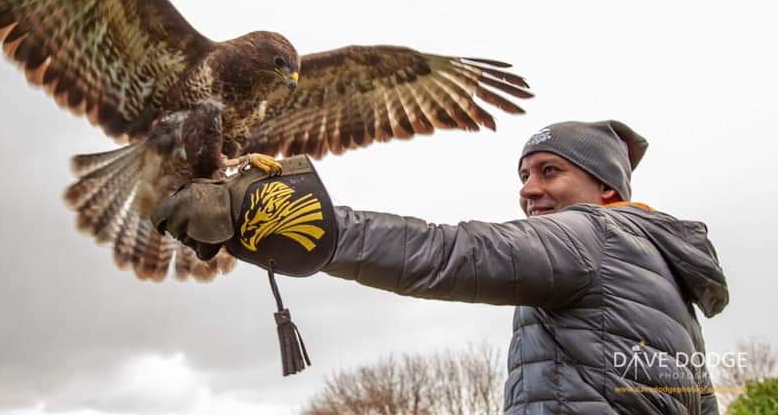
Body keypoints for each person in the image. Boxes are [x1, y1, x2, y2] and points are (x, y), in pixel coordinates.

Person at [154, 120, 729, 414]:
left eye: (550, 171)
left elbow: (449, 253)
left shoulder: (590, 235)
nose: (530, 190)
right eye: (524, 176)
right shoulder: (668, 280)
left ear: (605, 188)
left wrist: (311, 224)